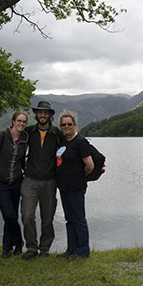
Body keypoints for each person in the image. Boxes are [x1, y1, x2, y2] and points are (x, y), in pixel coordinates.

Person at [0, 100, 63, 260]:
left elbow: (67, 146)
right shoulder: (28, 132)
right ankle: (31, 247)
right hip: (29, 180)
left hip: (50, 181)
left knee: (47, 218)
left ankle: (44, 248)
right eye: (40, 112)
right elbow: (12, 135)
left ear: (50, 115)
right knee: (27, 215)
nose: (42, 115)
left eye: (46, 112)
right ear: (36, 115)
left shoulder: (57, 133)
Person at [0, 111, 29, 258]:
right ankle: (19, 242)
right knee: (9, 215)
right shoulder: (1, 136)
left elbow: (22, 161)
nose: (21, 124)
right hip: (0, 183)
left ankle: (7, 248)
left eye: (24, 122)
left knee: (11, 216)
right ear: (13, 121)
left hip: (16, 182)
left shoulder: (24, 139)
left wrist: (24, 173)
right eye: (19, 121)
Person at [55, 110, 94, 260]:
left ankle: (82, 251)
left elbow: (89, 165)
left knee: (78, 219)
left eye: (69, 124)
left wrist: (79, 177)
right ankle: (71, 250)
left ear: (75, 125)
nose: (66, 126)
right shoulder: (64, 141)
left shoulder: (80, 141)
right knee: (69, 219)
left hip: (76, 187)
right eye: (63, 124)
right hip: (64, 187)